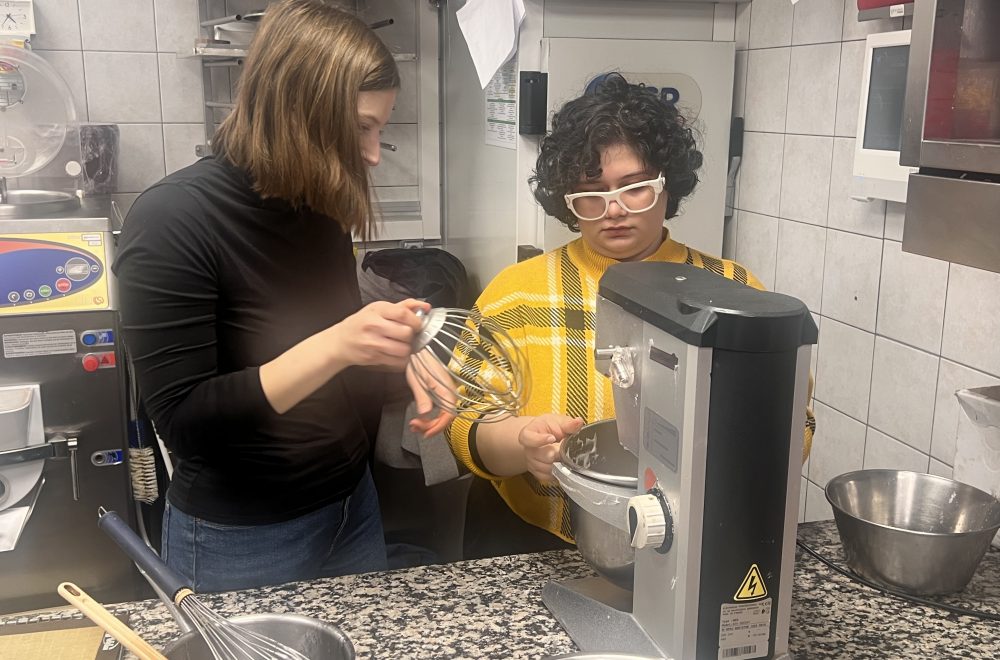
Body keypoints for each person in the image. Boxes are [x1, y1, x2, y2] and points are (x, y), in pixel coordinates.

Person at [113, 0, 449, 592]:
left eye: (380, 129)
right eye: (360, 129)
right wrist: (339, 344)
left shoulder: (316, 205)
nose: (372, 154)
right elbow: (186, 421)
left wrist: (403, 355)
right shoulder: (172, 220)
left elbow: (329, 354)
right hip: (242, 536)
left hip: (351, 503)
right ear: (296, 113)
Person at [445, 73, 815, 559]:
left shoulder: (736, 293)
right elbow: (463, 421)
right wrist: (521, 442)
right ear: (567, 202)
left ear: (668, 185)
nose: (613, 210)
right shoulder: (515, 296)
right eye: (591, 194)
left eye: (634, 188)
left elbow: (794, 423)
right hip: (533, 542)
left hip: (690, 541)